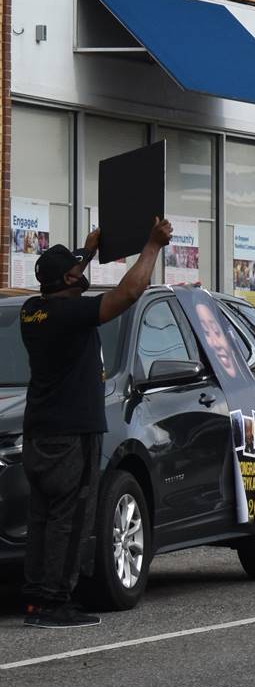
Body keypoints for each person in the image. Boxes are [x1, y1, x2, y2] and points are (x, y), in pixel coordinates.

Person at [20, 216, 172, 629]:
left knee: (43, 519)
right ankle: (55, 604)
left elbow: (63, 280)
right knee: (70, 520)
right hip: (71, 436)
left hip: (38, 435)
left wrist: (86, 253)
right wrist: (153, 245)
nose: (81, 272)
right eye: (76, 269)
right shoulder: (71, 315)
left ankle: (36, 599)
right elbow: (129, 292)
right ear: (67, 279)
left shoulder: (33, 312)